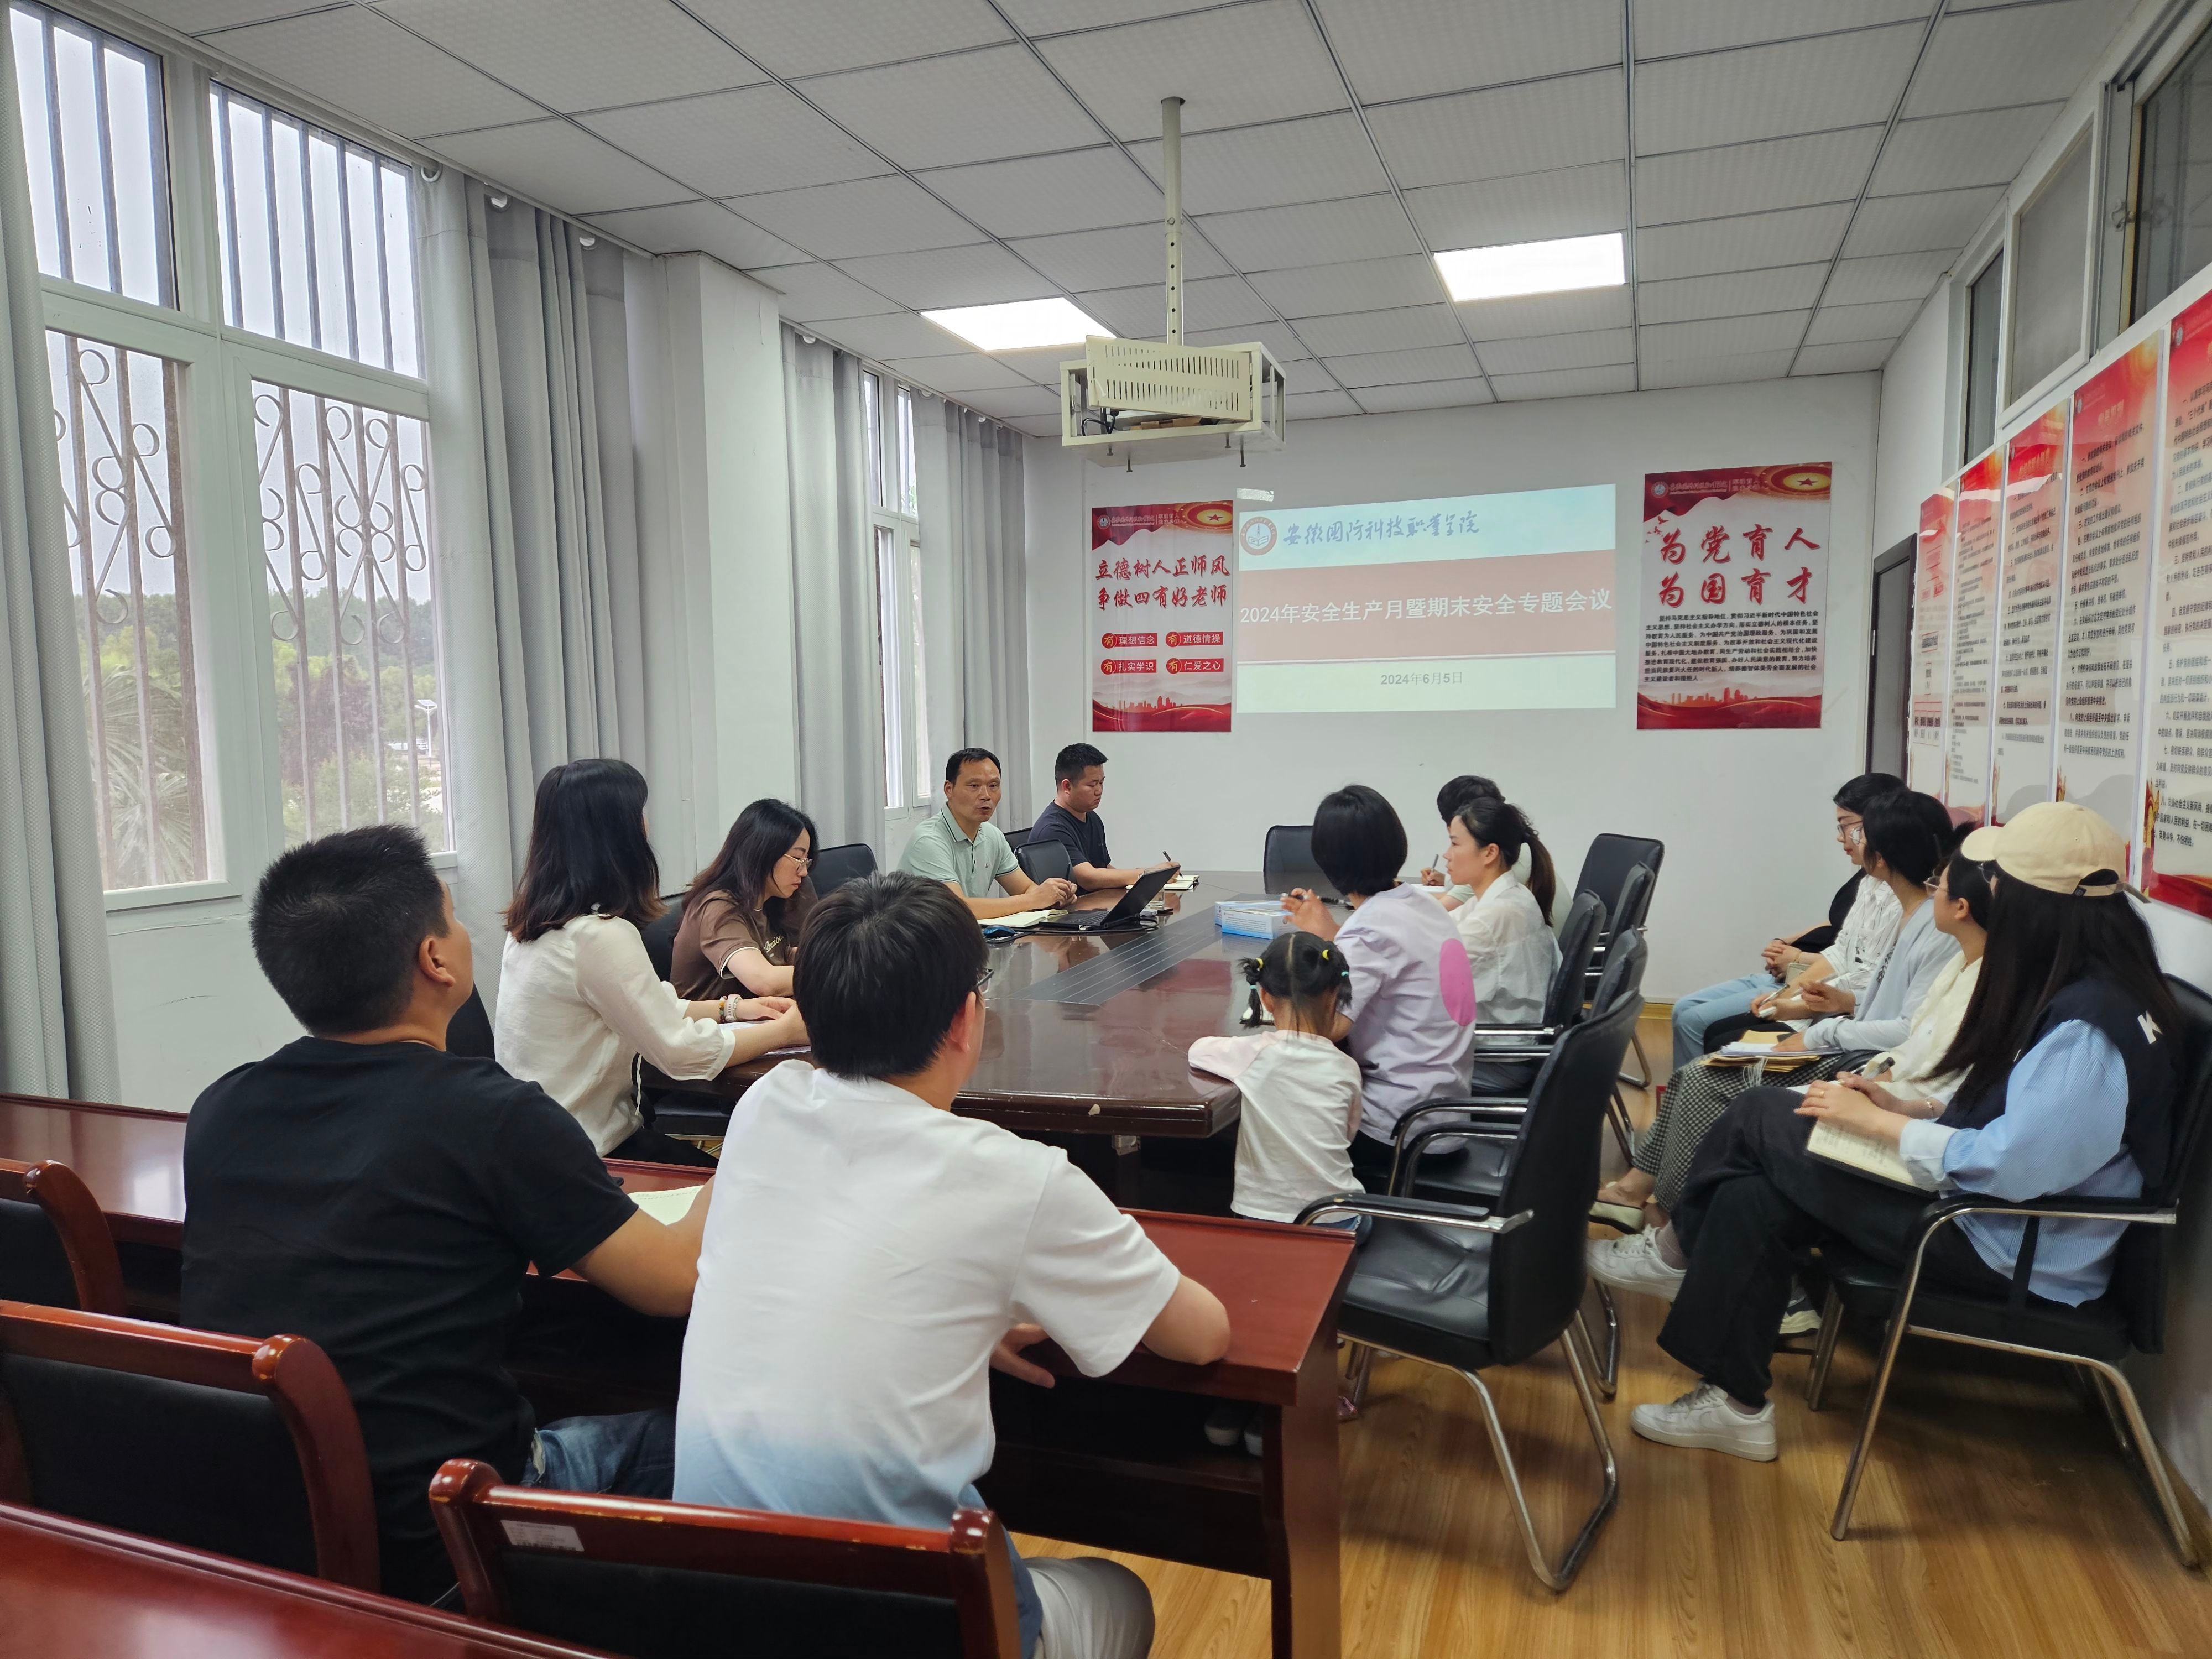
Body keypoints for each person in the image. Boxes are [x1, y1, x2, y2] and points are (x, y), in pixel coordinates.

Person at [675, 872, 1230, 1659]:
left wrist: (967, 1307)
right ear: (969, 1019)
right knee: (1121, 1596)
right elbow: (1203, 1336)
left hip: (715, 1608)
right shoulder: (1018, 1177)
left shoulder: (764, 1108)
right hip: (908, 1622)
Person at [182, 825, 713, 1603]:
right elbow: (674, 1283)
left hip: (269, 1529)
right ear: (435, 959)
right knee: (705, 1439)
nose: (467, 934)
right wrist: (731, 1170)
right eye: (455, 918)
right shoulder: (494, 1116)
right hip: (447, 1535)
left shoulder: (221, 1106)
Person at [1612, 802, 2178, 1463]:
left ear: (2038, 907)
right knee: (1752, 1194)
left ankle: (1677, 1254)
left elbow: (2013, 1168)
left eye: (2002, 889)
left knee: (1760, 1114)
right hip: (1984, 1213)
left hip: (2002, 1244)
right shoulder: (2089, 986)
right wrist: (1909, 1110)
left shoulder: (2086, 1028)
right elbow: (2014, 1120)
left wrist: (1880, 1126)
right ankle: (1733, 1402)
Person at [1592, 788, 1962, 1237]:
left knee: (1707, 1080)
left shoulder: (1932, 927)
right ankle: (1641, 1194)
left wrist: (1820, 1030)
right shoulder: (1910, 912)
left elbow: (1907, 1027)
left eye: (1857, 833)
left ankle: (1673, 1222)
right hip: (1854, 1039)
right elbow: (1883, 993)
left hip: (1864, 1061)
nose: (1848, 841)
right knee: (1697, 1072)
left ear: (1881, 856)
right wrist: (1836, 1003)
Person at [497, 759, 805, 1166]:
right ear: (617, 834)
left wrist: (732, 1009)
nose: (646, 827)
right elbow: (679, 1053)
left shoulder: (531, 927)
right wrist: (786, 1032)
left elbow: (643, 1004)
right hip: (587, 1154)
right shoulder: (599, 936)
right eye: (639, 814)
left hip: (536, 1143)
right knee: (745, 1183)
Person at [1282, 784, 1475, 1187]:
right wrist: (1334, 937)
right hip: (1446, 1107)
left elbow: (1324, 1030)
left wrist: (1315, 948)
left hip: (1402, 1128)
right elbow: (1381, 965)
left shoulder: (1369, 930)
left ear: (1328, 862)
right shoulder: (1421, 903)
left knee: (1272, 1111)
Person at [1668, 773, 1902, 1069]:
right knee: (1697, 1017)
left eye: (1847, 826)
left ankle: (1699, 1087)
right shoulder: (1869, 881)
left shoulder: (1905, 900)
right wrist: (1786, 985)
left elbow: (1866, 980)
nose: (1841, 837)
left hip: (1834, 1010)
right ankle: (1692, 1088)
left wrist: (1795, 994)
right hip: (1807, 985)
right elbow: (1841, 948)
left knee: (1711, 1031)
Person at [1441, 794, 1563, 1094]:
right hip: (1507, 1049)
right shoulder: (1507, 896)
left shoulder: (1497, 915)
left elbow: (1431, 976)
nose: (1447, 855)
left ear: (1489, 853)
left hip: (1497, 1061)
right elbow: (1441, 930)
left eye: (1455, 844)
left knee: (1376, 1063)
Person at [902, 747, 1078, 921]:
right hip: (920, 937)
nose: (986, 795)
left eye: (993, 786)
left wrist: (1054, 896)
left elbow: (1026, 890)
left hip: (967, 933)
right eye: (974, 786)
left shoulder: (992, 836)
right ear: (949, 789)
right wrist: (1034, 900)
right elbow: (956, 909)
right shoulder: (928, 841)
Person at [670, 799, 819, 1000]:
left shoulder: (769, 900)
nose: (803, 871)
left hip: (758, 1013)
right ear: (762, 852)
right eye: (797, 859)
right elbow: (765, 982)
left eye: (806, 861)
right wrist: (837, 971)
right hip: (714, 1019)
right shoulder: (717, 907)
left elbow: (782, 956)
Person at [1031, 742, 1173, 890]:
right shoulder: (1052, 829)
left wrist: (1144, 878)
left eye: (1101, 783)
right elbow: (1089, 878)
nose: (1099, 791)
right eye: (1092, 785)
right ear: (1067, 786)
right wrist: (1148, 874)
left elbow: (1103, 868)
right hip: (1073, 905)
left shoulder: (1092, 818)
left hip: (1096, 901)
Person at [1418, 773, 1504, 907]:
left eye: (1455, 844)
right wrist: (1444, 880)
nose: (1446, 855)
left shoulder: (1495, 866)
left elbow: (1443, 908)